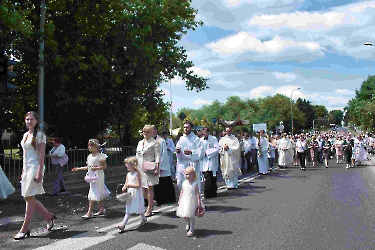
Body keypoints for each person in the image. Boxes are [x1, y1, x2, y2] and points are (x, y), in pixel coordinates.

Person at [15, 111, 56, 240]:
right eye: (27, 119)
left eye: (31, 119)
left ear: (36, 121)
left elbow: (42, 155)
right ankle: (48, 216)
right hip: (27, 169)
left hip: (35, 167)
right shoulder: (26, 135)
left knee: (28, 196)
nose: (29, 121)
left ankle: (25, 227)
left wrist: (39, 172)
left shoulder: (40, 135)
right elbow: (25, 156)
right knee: (28, 197)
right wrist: (23, 171)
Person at [72, 138, 110, 219]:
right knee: (97, 192)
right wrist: (78, 168)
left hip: (98, 176)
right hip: (92, 176)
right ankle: (102, 208)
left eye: (91, 145)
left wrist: (96, 168)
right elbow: (88, 167)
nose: (89, 147)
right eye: (88, 145)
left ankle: (89, 212)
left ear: (96, 146)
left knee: (93, 193)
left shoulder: (100, 156)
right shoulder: (89, 156)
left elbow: (104, 166)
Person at [116, 157, 147, 232]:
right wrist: (124, 187)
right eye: (126, 164)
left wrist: (129, 185)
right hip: (130, 193)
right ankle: (123, 225)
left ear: (133, 165)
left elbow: (138, 185)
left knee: (138, 207)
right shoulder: (128, 174)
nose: (126, 165)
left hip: (136, 192)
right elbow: (126, 182)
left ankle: (143, 218)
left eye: (128, 164)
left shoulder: (137, 174)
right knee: (129, 208)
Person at [136, 124, 160, 217]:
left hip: (150, 168)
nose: (145, 133)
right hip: (140, 167)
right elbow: (137, 155)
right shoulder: (140, 142)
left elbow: (158, 155)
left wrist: (157, 167)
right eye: (143, 131)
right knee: (142, 188)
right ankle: (152, 202)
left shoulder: (155, 143)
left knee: (149, 188)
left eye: (147, 131)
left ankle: (149, 208)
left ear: (151, 133)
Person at [176, 121, 203, 192]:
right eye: (184, 127)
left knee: (193, 184)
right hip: (182, 163)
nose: (185, 129)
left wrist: (191, 152)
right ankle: (184, 196)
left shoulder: (196, 139)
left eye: (187, 127)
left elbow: (201, 152)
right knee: (180, 182)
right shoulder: (181, 139)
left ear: (191, 128)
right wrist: (178, 151)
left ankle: (194, 199)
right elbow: (178, 149)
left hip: (192, 163)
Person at [176, 166, 202, 237]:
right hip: (185, 200)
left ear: (193, 175)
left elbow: (197, 193)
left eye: (190, 174)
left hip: (192, 201)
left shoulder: (195, 184)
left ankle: (192, 229)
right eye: (186, 174)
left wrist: (199, 201)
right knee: (184, 215)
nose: (188, 176)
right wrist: (179, 199)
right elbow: (182, 192)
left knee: (191, 216)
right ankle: (188, 223)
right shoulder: (184, 183)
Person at [153, 126, 176, 205]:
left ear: (155, 131)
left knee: (164, 181)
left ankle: (168, 199)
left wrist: (159, 166)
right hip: (152, 164)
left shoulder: (161, 141)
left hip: (162, 163)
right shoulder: (150, 140)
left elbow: (163, 154)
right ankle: (156, 199)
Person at [199, 127, 220, 198]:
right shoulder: (200, 140)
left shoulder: (213, 139)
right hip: (204, 161)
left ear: (208, 132)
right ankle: (207, 193)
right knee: (207, 177)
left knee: (212, 177)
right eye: (203, 132)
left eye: (205, 132)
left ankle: (213, 192)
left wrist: (207, 153)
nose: (204, 133)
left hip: (212, 160)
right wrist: (201, 154)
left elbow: (217, 148)